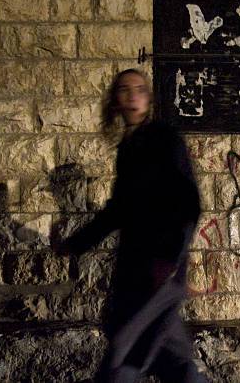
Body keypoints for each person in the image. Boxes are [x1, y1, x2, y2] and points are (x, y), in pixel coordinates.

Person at [54, 69, 203, 383]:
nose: (133, 96)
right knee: (174, 358)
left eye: (139, 89)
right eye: (125, 90)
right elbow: (119, 210)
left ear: (148, 99)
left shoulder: (164, 140)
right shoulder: (128, 149)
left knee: (124, 351)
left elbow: (188, 202)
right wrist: (77, 243)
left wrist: (169, 258)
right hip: (137, 268)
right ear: (115, 101)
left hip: (160, 269)